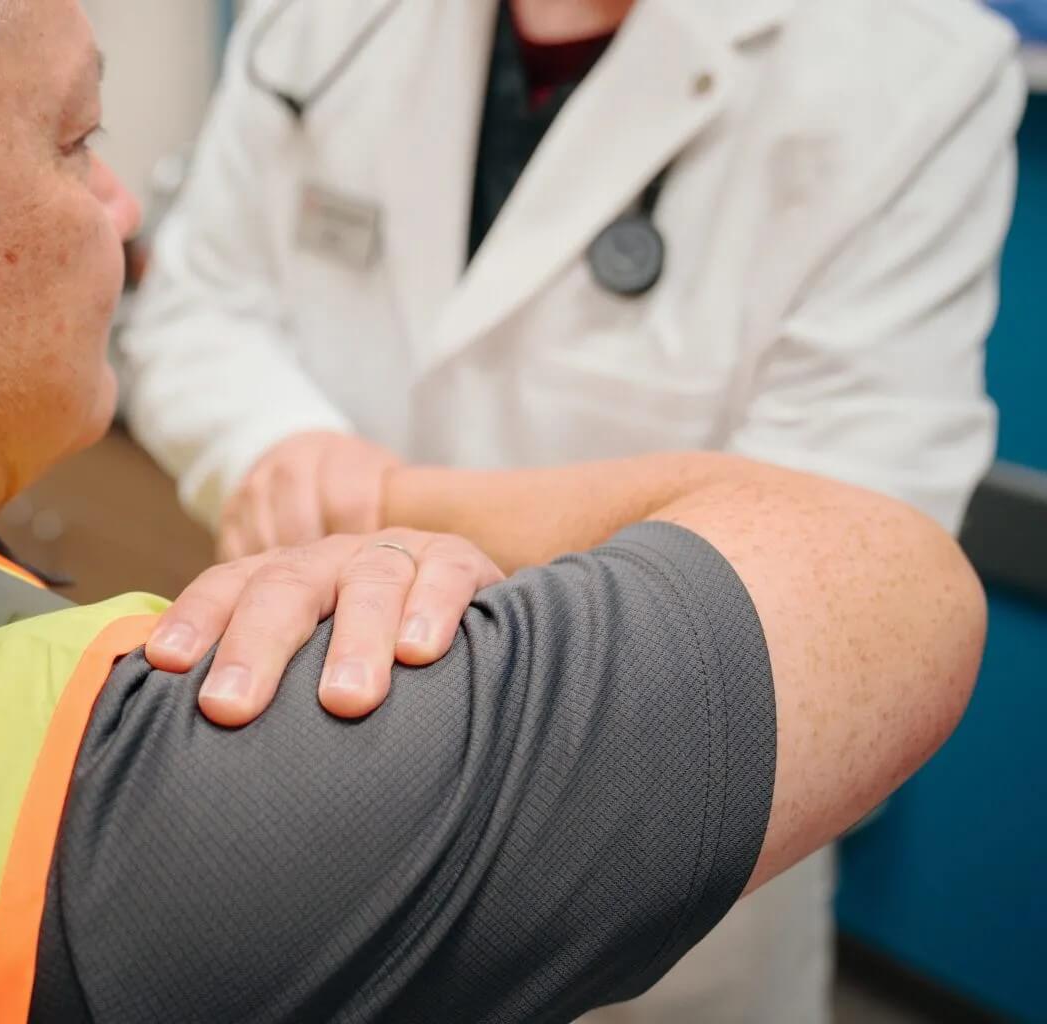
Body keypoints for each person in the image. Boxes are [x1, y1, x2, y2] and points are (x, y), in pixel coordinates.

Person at [0, 0, 985, 1021]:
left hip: (663, 845)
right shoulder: (156, 827)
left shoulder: (915, 70)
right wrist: (316, 475)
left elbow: (870, 502)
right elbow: (883, 586)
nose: (123, 211)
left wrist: (395, 504)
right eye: (76, 143)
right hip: (396, 740)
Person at [119, 0, 1024, 1018]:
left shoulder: (916, 69)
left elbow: (841, 557)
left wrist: (380, 504)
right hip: (303, 783)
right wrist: (277, 448)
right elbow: (199, 303)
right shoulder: (322, 22)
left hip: (645, 858)